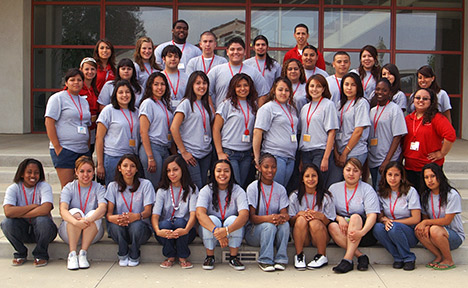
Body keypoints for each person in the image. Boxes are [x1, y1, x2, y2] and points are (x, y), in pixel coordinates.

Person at [1, 159, 57, 267]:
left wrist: (19, 212)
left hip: (44, 232)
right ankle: (20, 253)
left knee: (43, 220)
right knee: (6, 223)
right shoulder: (13, 188)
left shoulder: (44, 186)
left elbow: (45, 209)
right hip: (23, 230)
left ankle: (41, 254)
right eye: (29, 172)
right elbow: (8, 212)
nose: (33, 175)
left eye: (36, 173)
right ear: (22, 174)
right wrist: (32, 206)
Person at [328, 158, 379, 273]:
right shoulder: (334, 188)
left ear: (361, 173)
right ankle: (360, 256)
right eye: (348, 170)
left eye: (355, 170)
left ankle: (347, 260)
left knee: (355, 217)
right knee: (332, 226)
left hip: (363, 233)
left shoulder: (367, 189)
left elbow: (372, 215)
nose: (351, 174)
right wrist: (339, 218)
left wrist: (361, 232)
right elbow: (329, 212)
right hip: (344, 230)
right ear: (343, 171)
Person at [196, 160, 249, 271]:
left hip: (230, 228)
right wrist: (217, 231)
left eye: (226, 171)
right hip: (212, 228)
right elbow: (200, 214)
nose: (222, 174)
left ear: (231, 173)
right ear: (213, 173)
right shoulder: (206, 190)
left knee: (234, 219)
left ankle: (233, 257)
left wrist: (226, 231)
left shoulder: (238, 190)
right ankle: (209, 256)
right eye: (218, 171)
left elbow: (244, 215)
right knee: (212, 219)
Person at [105, 154, 155, 267]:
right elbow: (109, 214)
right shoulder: (113, 186)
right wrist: (115, 218)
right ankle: (122, 253)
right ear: (119, 168)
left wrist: (136, 217)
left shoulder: (146, 185)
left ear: (137, 169)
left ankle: (134, 253)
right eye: (125, 166)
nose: (128, 169)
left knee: (136, 225)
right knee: (115, 226)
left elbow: (148, 212)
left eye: (132, 166)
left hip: (139, 228)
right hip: (120, 226)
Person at [45, 68, 91, 188]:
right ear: (66, 83)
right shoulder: (58, 98)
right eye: (72, 80)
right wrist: (57, 147)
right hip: (65, 149)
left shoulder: (84, 101)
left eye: (79, 80)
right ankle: (65, 208)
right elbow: (49, 122)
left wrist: (87, 146)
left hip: (82, 150)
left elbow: (86, 124)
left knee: (83, 186)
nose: (76, 82)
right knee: (68, 188)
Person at [59, 156, 107, 270]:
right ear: (76, 172)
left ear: (93, 172)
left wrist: (88, 220)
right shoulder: (69, 187)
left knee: (93, 213)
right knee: (75, 212)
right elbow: (63, 210)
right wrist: (76, 222)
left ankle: (83, 253)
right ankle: (72, 254)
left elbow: (102, 208)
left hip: (92, 232)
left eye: (89, 171)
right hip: (70, 232)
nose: (86, 175)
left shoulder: (99, 188)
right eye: (82, 171)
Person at [402, 88, 456, 190]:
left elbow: (450, 135)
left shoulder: (437, 118)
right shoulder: (408, 119)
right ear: (413, 100)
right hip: (410, 168)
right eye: (418, 98)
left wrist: (442, 153)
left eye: (425, 98)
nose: (421, 100)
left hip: (430, 170)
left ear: (431, 102)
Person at [245, 153, 290, 272]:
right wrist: (269, 218)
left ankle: (281, 259)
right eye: (266, 166)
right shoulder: (253, 187)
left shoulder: (280, 189)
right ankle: (265, 260)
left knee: (285, 225)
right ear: (259, 168)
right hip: (254, 232)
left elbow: (285, 214)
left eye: (273, 167)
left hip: (273, 228)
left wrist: (281, 217)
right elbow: (252, 218)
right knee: (268, 226)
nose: (270, 170)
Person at [372, 162, 421, 271]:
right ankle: (397, 257)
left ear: (402, 177)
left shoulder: (410, 191)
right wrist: (384, 219)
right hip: (390, 228)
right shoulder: (381, 192)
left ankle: (408, 258)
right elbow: (379, 215)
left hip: (409, 232)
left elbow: (416, 218)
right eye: (390, 175)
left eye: (396, 175)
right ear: (385, 176)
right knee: (377, 228)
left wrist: (394, 222)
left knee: (394, 227)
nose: (392, 178)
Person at [152, 155, 198, 269]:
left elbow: (193, 214)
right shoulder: (162, 190)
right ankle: (170, 256)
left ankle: (183, 256)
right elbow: (155, 215)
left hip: (186, 231)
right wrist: (158, 231)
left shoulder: (192, 189)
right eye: (168, 171)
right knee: (165, 224)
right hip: (164, 232)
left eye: (175, 170)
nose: (172, 174)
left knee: (180, 222)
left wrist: (186, 230)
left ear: (183, 169)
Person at [415, 163, 464, 270]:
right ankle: (438, 256)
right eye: (426, 177)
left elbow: (447, 221)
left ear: (440, 176)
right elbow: (425, 218)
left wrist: (427, 223)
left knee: (434, 229)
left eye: (433, 176)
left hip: (453, 236)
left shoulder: (451, 194)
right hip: (435, 234)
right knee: (418, 229)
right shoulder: (425, 195)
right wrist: (426, 224)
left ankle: (448, 260)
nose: (430, 180)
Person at [213, 73, 258, 188]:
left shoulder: (252, 105)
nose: (242, 89)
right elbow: (216, 129)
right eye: (238, 86)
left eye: (245, 85)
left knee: (241, 186)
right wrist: (219, 152)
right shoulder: (226, 104)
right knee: (234, 185)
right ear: (233, 87)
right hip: (230, 152)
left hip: (247, 153)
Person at [253, 77, 299, 187]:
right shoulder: (268, 108)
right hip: (275, 155)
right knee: (273, 189)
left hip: (290, 156)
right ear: (274, 90)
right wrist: (257, 157)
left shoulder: (291, 109)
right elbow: (257, 133)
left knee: (281, 191)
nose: (283, 93)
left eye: (287, 90)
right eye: (280, 89)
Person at [289, 164, 336, 270]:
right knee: (301, 219)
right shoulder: (294, 196)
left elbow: (331, 221)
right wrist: (298, 215)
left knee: (314, 221)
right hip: (303, 237)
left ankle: (321, 255)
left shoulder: (326, 197)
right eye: (307, 176)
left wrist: (321, 217)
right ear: (302, 179)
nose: (310, 179)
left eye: (314, 176)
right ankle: (299, 256)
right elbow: (291, 222)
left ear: (318, 178)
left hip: (320, 236)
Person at [171, 71, 213, 189]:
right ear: (191, 85)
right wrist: (183, 152)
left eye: (204, 83)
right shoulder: (186, 103)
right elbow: (174, 128)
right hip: (190, 154)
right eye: (198, 83)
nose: (201, 86)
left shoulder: (206, 105)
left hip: (205, 153)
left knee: (204, 185)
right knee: (196, 187)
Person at [96, 80, 140, 186]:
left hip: (132, 157)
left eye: (127, 92)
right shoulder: (108, 110)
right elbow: (99, 138)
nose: (124, 95)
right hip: (113, 157)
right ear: (115, 94)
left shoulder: (136, 111)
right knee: (113, 191)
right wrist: (100, 164)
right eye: (120, 92)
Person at [299, 74, 338, 186]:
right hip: (305, 151)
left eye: (318, 86)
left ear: (324, 88)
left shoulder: (328, 105)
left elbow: (331, 133)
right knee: (307, 185)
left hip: (320, 151)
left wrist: (325, 158)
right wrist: (301, 158)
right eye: (312, 86)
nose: (314, 89)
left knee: (317, 184)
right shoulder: (305, 108)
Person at [368, 78, 407, 190]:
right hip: (374, 158)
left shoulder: (395, 110)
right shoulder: (372, 111)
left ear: (390, 92)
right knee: (376, 189)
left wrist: (387, 160)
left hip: (387, 159)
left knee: (381, 190)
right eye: (378, 89)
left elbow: (397, 137)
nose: (380, 92)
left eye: (384, 90)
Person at [208, 37, 269, 108]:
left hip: (247, 117)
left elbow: (263, 94)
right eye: (232, 49)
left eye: (239, 49)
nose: (236, 52)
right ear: (227, 52)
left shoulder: (253, 72)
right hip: (223, 117)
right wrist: (213, 112)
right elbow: (207, 93)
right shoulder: (216, 71)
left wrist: (258, 113)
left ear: (245, 52)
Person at [139, 72, 174, 189]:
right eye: (156, 84)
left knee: (163, 185)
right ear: (150, 86)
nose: (160, 87)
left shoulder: (165, 103)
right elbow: (143, 132)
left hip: (165, 148)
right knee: (153, 186)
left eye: (162, 84)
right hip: (152, 148)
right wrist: (150, 157)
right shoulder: (148, 103)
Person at [333, 73, 370, 171]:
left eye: (353, 85)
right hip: (340, 150)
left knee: (352, 182)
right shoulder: (339, 104)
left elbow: (358, 131)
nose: (349, 88)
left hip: (355, 151)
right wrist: (336, 153)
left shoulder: (361, 103)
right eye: (346, 84)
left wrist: (345, 153)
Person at [79, 57, 100, 153]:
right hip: (80, 128)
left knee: (89, 153)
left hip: (92, 128)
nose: (90, 72)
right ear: (81, 70)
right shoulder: (77, 87)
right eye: (86, 69)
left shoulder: (95, 89)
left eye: (92, 69)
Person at [161, 45, 189, 110]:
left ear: (179, 59)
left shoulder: (186, 77)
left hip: (183, 112)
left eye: (176, 56)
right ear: (163, 59)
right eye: (170, 56)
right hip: (164, 112)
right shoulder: (159, 77)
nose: (173, 59)